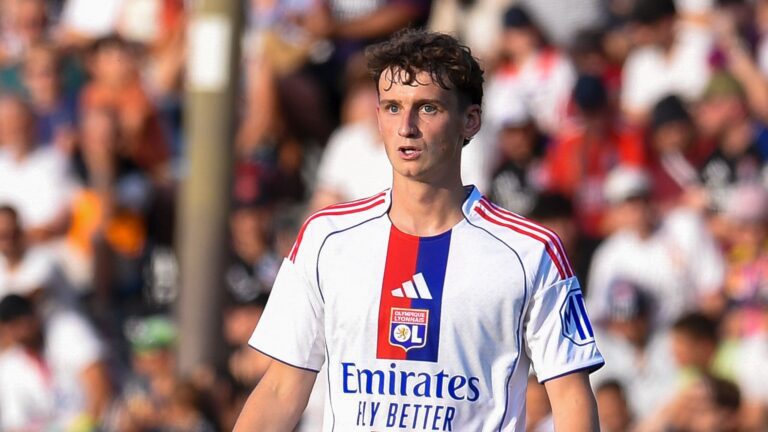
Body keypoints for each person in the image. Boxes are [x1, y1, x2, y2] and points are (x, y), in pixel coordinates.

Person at [235, 29, 603, 431]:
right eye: (393, 107)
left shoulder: (532, 251)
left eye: (428, 108)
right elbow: (280, 390)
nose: (406, 126)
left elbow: (570, 397)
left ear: (470, 121)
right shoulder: (325, 239)